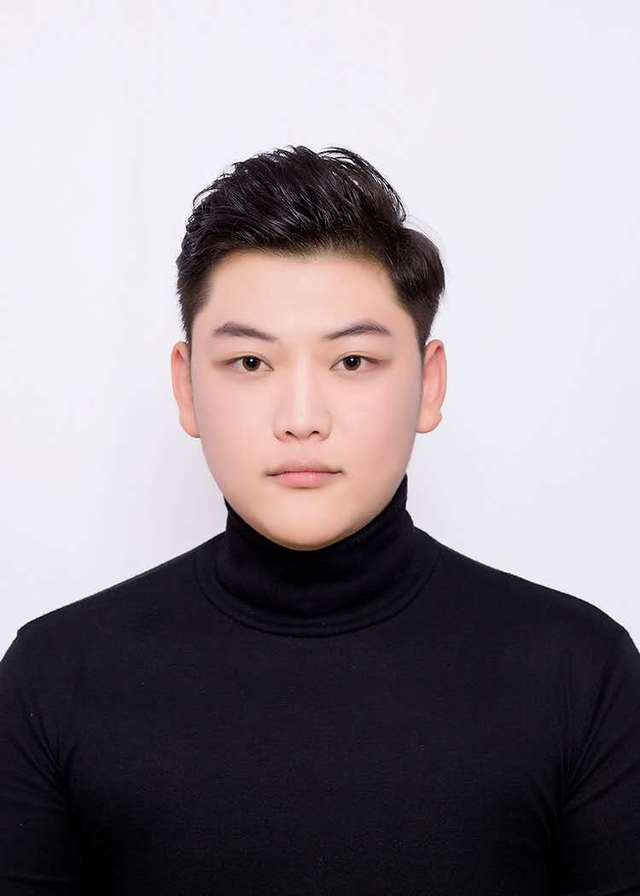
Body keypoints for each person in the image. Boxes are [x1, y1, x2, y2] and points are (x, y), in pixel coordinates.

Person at [1, 145, 638, 894]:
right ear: (187, 388)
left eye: (352, 362)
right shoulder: (54, 678)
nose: (301, 419)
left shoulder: (578, 671)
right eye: (250, 363)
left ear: (430, 384)